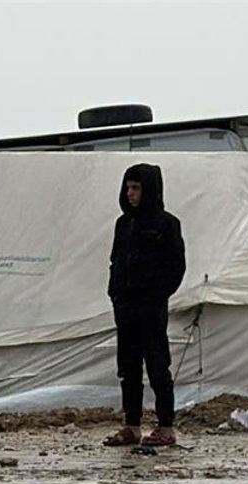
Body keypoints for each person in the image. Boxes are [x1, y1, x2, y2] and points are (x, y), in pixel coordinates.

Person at [104, 164, 186, 448]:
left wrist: (156, 294)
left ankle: (165, 426)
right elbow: (116, 261)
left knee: (157, 366)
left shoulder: (166, 224)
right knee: (128, 368)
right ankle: (132, 425)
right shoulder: (123, 224)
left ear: (149, 190)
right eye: (128, 187)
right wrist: (115, 293)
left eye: (136, 188)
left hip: (150, 307)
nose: (130, 193)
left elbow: (176, 267)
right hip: (125, 306)